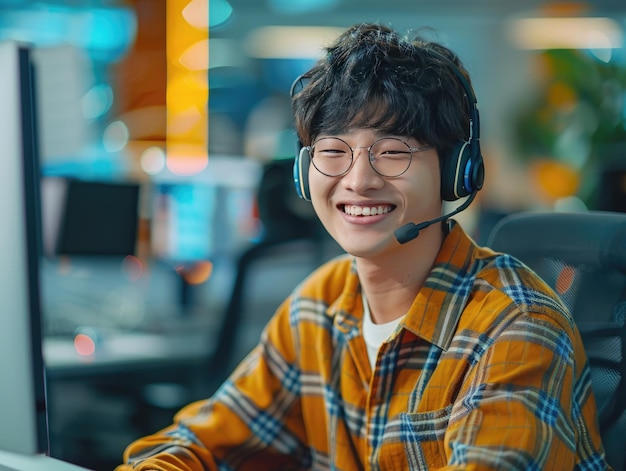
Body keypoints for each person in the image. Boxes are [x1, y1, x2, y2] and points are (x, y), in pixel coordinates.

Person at [116, 23, 609, 470]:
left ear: (457, 170)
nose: (358, 180)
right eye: (333, 152)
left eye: (393, 152)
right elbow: (200, 442)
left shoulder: (516, 329)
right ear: (304, 173)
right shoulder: (321, 305)